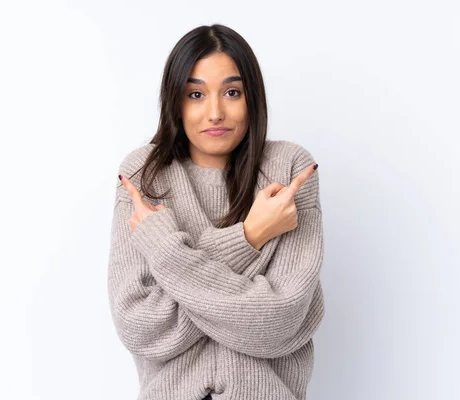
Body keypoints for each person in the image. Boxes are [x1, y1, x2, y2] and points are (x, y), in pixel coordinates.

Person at [107, 24, 324, 400]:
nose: (214, 112)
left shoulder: (288, 169)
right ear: (174, 101)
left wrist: (163, 250)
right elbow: (141, 328)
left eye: (232, 92)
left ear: (251, 98)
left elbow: (279, 320)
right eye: (195, 94)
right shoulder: (144, 176)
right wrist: (251, 236)